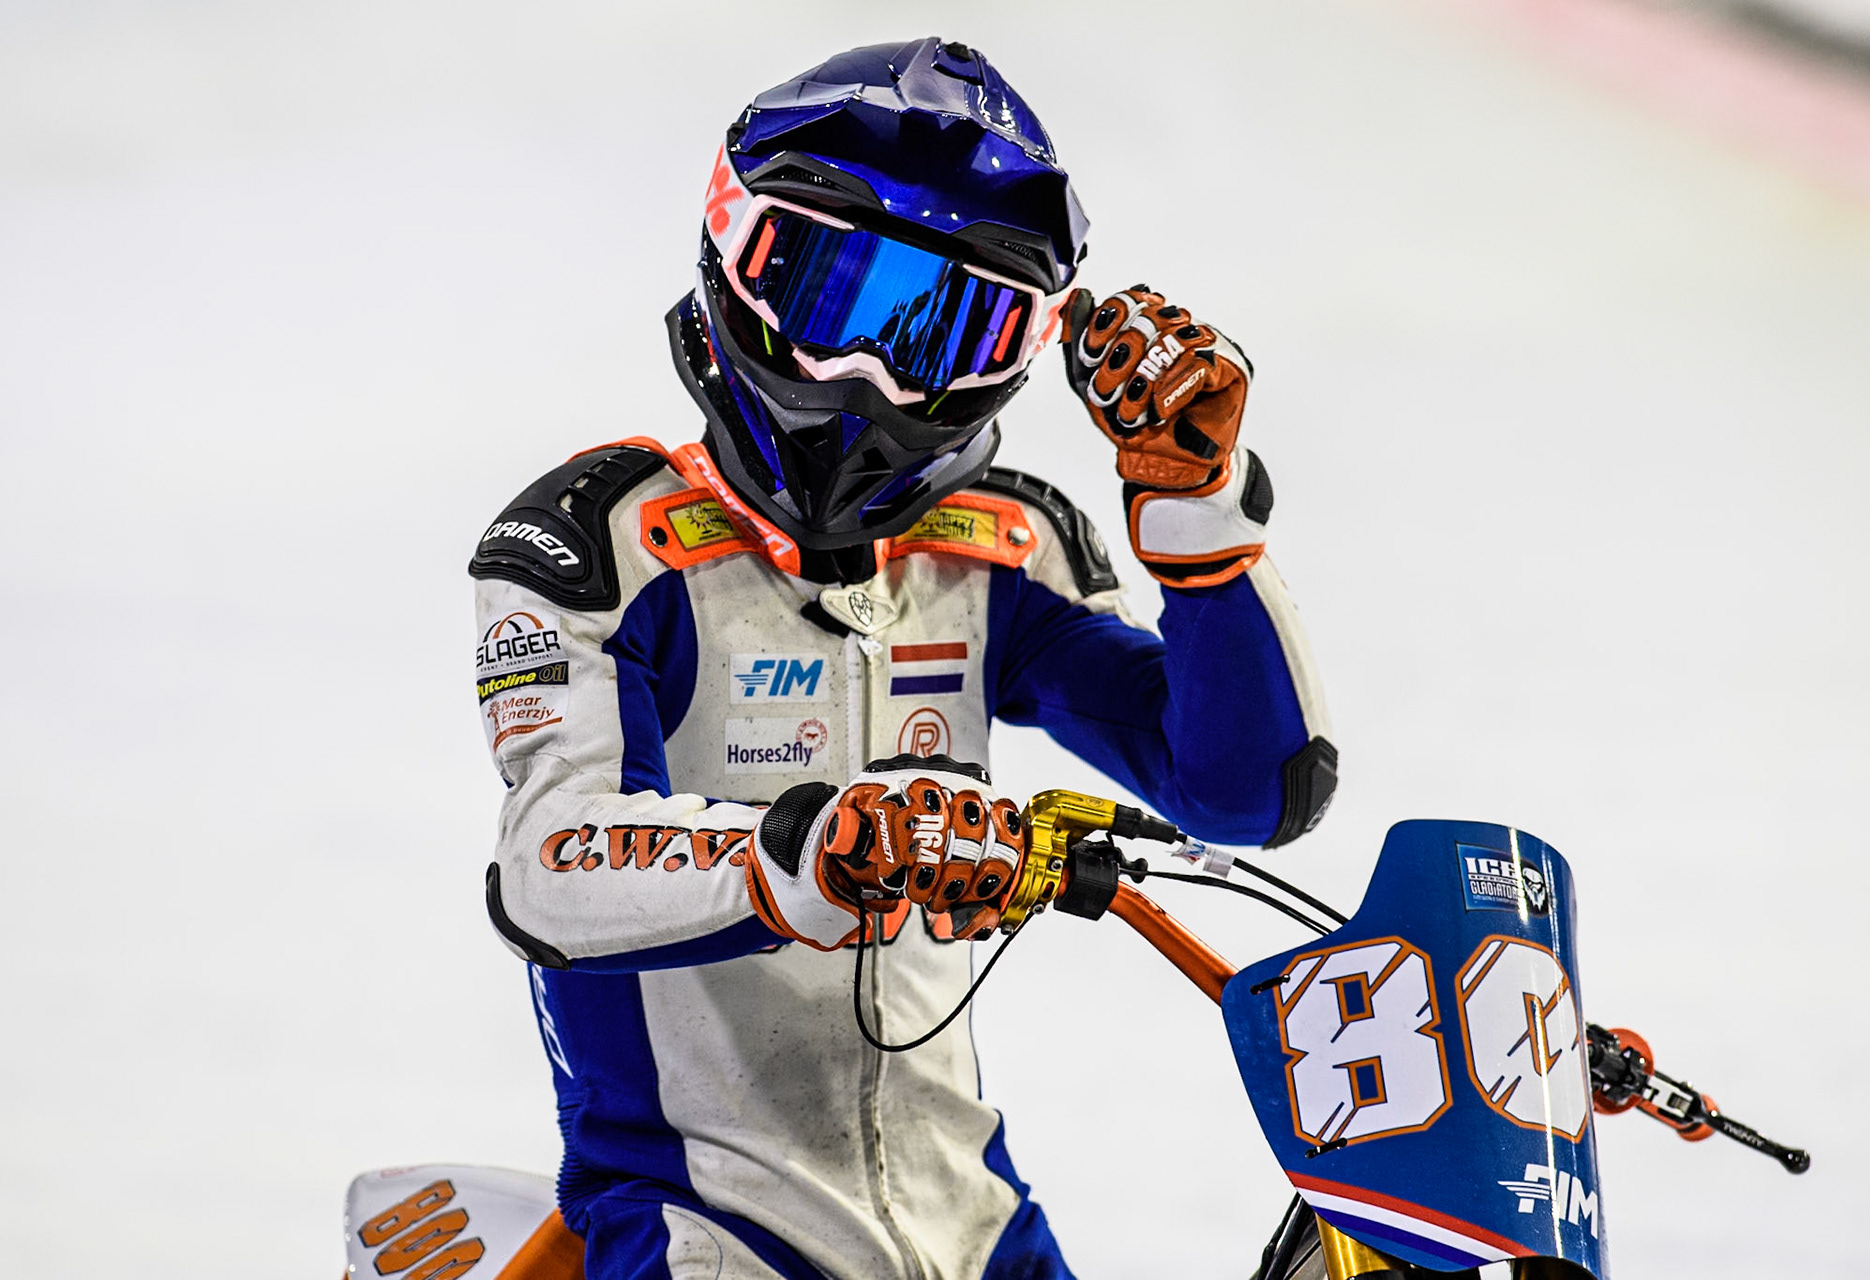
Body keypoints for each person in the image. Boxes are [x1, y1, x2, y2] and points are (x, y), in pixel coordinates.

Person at [469, 36, 1336, 1280]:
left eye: (951, 329)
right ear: (735, 252)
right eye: (835, 297)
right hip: (702, 1224)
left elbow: (1248, 789)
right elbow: (547, 867)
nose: (873, 376)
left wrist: (1200, 519)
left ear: (1023, 355)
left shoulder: (1000, 550)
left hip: (971, 1218)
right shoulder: (599, 540)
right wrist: (810, 847)